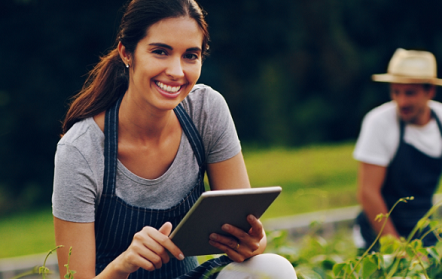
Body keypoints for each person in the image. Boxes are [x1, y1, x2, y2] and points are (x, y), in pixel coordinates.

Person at [51, 0, 296, 278]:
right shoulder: (80, 150)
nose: (177, 72)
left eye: (190, 56)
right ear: (126, 53)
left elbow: (246, 232)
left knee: (275, 269)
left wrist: (251, 243)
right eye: (160, 52)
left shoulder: (206, 110)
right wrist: (123, 264)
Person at [352, 48, 442, 251]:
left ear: (430, 91)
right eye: (396, 92)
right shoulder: (378, 122)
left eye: (410, 93)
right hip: (378, 231)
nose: (402, 102)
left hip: (422, 227)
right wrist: (396, 247)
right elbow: (368, 192)